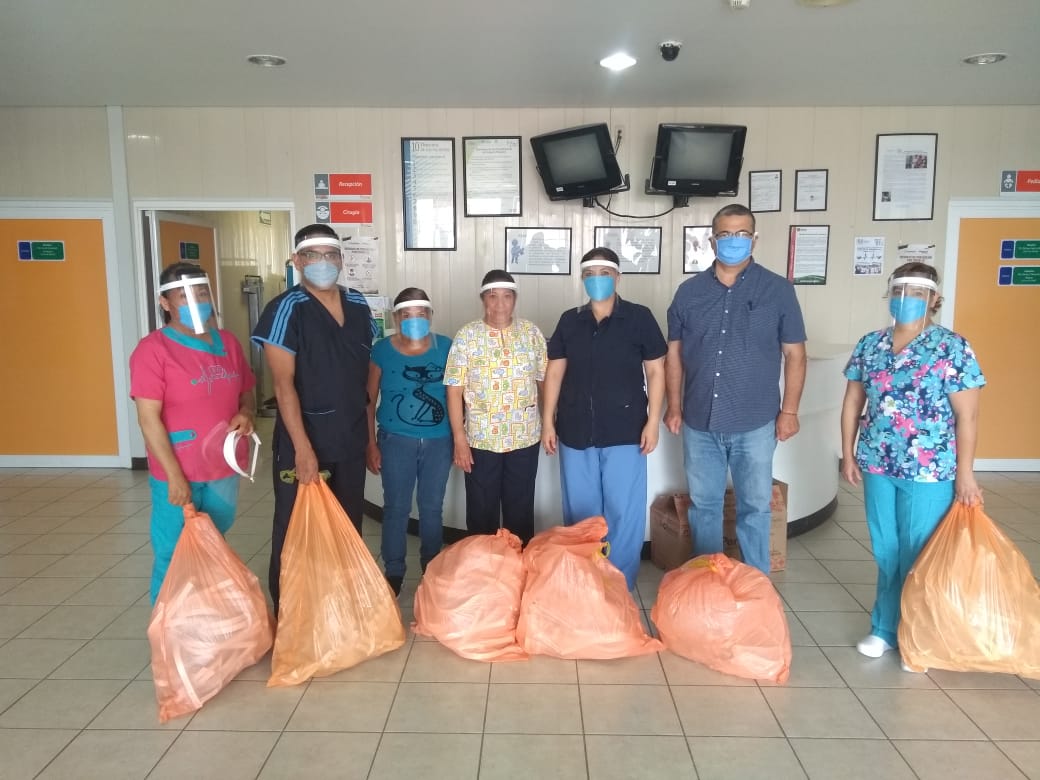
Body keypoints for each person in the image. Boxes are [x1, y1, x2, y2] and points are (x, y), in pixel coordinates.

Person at [841, 262, 985, 666]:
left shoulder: (951, 347)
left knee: (920, 552)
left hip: (930, 468)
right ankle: (885, 628)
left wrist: (967, 474)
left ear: (934, 299)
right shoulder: (871, 344)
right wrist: (849, 453)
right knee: (886, 548)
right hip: (878, 461)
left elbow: (967, 416)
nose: (906, 299)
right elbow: (853, 402)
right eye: (900, 290)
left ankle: (918, 635)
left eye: (918, 292)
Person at [665, 203, 807, 574]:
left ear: (754, 240)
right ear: (712, 241)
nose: (733, 241)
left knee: (755, 507)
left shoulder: (778, 291)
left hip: (756, 421)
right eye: (725, 234)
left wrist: (789, 411)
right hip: (699, 421)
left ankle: (756, 584)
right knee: (704, 507)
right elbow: (675, 356)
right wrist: (674, 407)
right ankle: (706, 583)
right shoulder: (688, 293)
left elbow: (795, 355)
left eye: (742, 234)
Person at [251, 223, 377, 612]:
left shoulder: (358, 305)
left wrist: (370, 440)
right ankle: (292, 612)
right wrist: (303, 450)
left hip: (351, 437)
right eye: (313, 255)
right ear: (297, 261)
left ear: (341, 260)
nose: (323, 263)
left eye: (331, 255)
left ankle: (339, 607)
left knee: (347, 525)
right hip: (306, 441)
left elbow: (365, 376)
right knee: (296, 528)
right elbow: (284, 385)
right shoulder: (286, 308)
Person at [130, 263, 256, 603]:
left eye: (201, 292)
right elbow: (148, 418)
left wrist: (246, 412)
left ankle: (208, 619)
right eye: (183, 295)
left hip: (223, 465)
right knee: (173, 552)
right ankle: (169, 633)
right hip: (179, 469)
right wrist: (174, 476)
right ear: (165, 302)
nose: (195, 300)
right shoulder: (152, 350)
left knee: (214, 543)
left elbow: (246, 390)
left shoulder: (227, 342)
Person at [541, 247, 666, 590]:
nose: (597, 280)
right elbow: (554, 374)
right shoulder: (570, 320)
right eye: (590, 275)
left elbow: (656, 372)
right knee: (582, 513)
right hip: (575, 430)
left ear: (618, 277)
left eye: (604, 274)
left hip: (626, 431)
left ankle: (619, 584)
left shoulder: (639, 318)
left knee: (623, 511)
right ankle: (586, 582)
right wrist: (548, 421)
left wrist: (653, 421)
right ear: (582, 279)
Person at [444, 270, 547, 544]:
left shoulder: (531, 333)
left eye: (506, 296)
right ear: (482, 299)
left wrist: (549, 423)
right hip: (480, 439)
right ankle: (483, 573)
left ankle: (517, 572)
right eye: (492, 297)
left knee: (520, 511)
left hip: (524, 437)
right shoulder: (467, 336)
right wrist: (459, 438)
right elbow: (454, 391)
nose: (499, 304)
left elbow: (544, 383)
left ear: (515, 300)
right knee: (481, 513)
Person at [365, 288, 453, 596]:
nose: (414, 319)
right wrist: (370, 443)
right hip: (395, 440)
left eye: (420, 313)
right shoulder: (382, 351)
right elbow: (369, 399)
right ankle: (394, 572)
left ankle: (431, 568)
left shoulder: (447, 348)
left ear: (430, 315)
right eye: (406, 314)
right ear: (396, 318)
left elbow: (459, 397)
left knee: (431, 508)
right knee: (396, 508)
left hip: (439, 441)